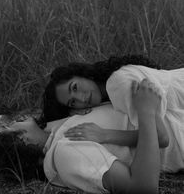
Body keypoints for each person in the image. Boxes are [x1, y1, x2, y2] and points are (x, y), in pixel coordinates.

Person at [0, 79, 183, 194]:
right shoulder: (65, 154)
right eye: (9, 126)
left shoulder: (56, 132)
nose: (15, 120)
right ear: (22, 141)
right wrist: (147, 111)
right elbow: (142, 186)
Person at [41, 54, 184, 172]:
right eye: (73, 102)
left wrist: (105, 135)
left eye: (75, 87)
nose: (81, 98)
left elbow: (160, 137)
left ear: (84, 75)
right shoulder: (107, 94)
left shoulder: (118, 83)